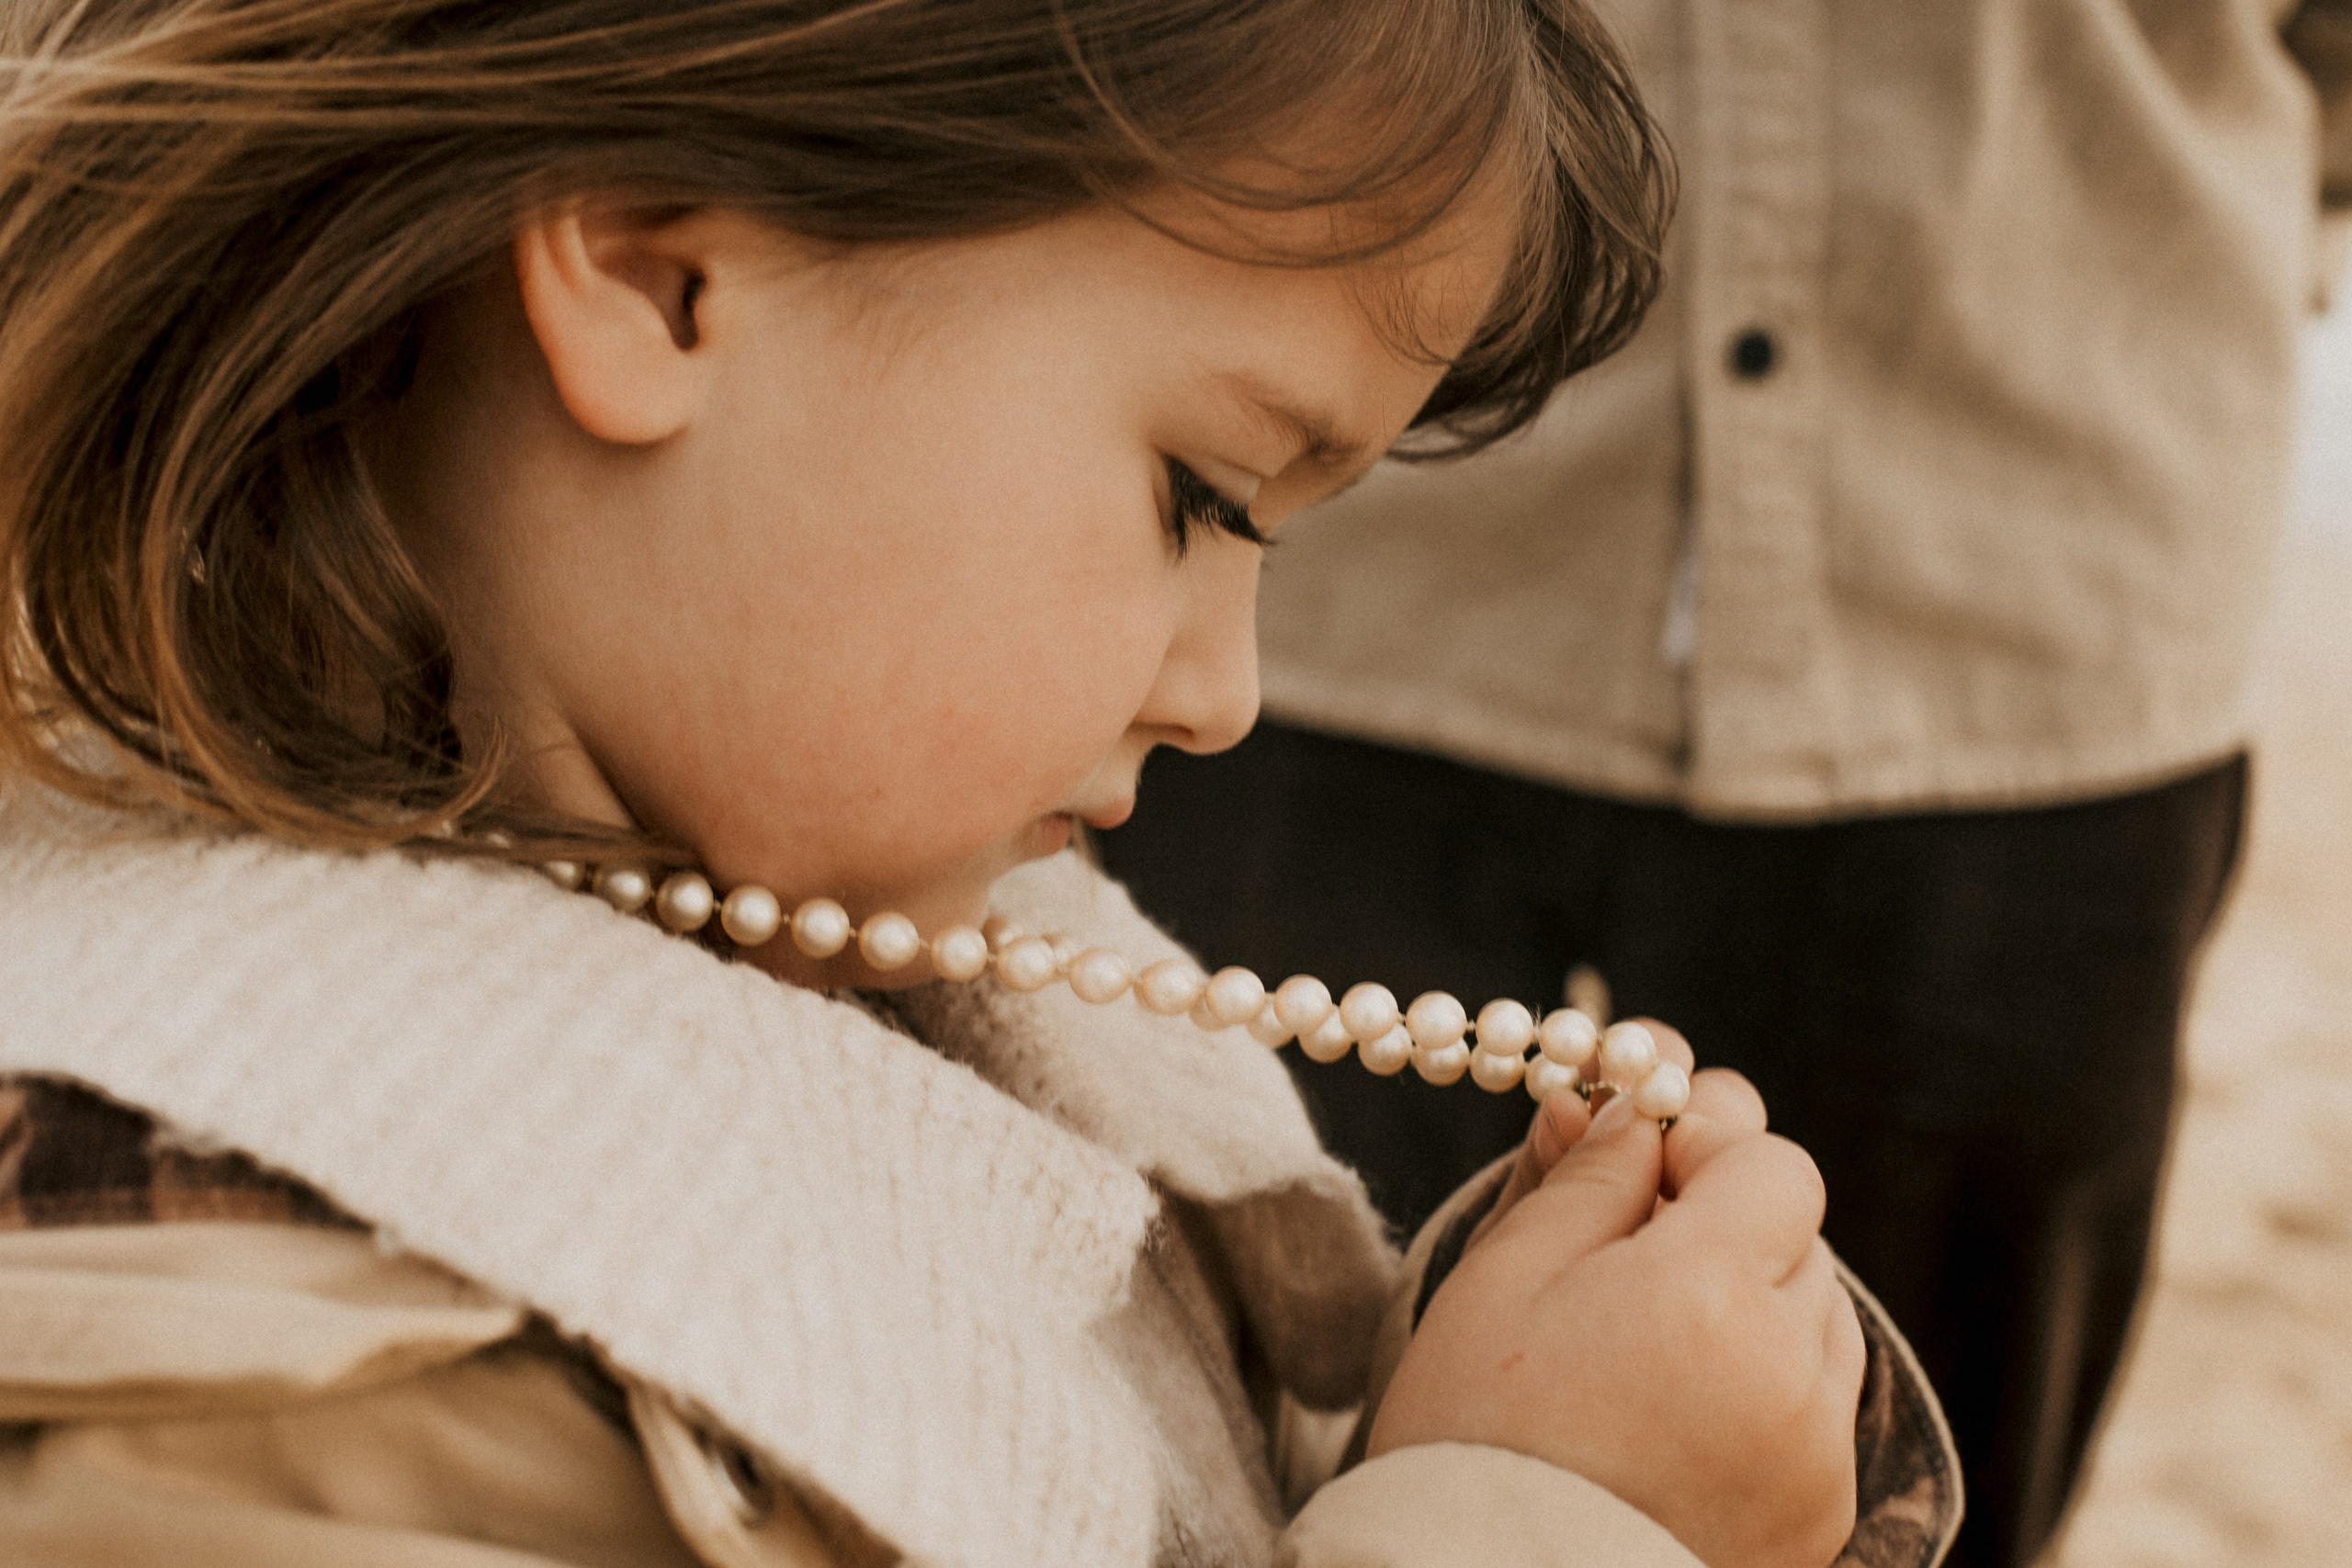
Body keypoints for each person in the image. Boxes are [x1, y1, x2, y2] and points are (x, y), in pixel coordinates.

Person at [0, 4, 1959, 1567]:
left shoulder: (887, 917)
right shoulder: (246, 1345)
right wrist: (1542, 1522)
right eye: (1199, 498)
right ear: (651, 273)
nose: (1226, 693)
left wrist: (1501, 1401)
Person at [1097, 5, 2352, 1567]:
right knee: (1206, 1452)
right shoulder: (1191, 672)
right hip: (1357, 602)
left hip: (2041, 580)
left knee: (1943, 1497)